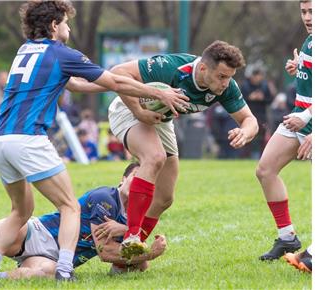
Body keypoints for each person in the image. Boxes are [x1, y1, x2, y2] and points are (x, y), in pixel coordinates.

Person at [0, 0, 187, 283]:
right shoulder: (62, 53)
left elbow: (76, 84)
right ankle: (65, 270)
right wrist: (157, 93)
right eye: (65, 22)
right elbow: (116, 83)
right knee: (70, 207)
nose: (68, 27)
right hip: (27, 138)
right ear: (54, 26)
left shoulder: (24, 51)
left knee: (19, 212)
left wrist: (110, 82)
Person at [107, 40, 259, 259]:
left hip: (162, 119)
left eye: (230, 77)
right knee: (155, 157)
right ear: (204, 68)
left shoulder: (225, 86)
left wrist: (245, 131)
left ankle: (127, 257)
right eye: (222, 76)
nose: (226, 83)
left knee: (164, 197)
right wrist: (139, 111)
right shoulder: (171, 67)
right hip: (129, 109)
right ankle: (131, 236)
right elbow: (117, 72)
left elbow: (249, 119)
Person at [0, 163, 167, 280]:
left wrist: (143, 250)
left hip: (60, 259)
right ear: (123, 179)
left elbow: (130, 267)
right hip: (40, 234)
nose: (141, 183)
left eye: (146, 180)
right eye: (137, 176)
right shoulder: (104, 198)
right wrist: (145, 252)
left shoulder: (133, 218)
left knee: (38, 275)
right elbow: (108, 254)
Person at [256, 0, 312, 261]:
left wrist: (310, 119)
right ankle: (288, 238)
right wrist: (300, 68)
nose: (308, 18)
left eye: (313, 12)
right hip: (298, 120)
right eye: (304, 12)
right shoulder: (311, 42)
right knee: (265, 170)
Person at [240, 63, 274, 159]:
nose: (260, 78)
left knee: (261, 140)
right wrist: (250, 98)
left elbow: (270, 99)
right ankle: (246, 157)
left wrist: (262, 98)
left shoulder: (264, 86)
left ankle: (261, 157)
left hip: (261, 117)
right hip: (247, 116)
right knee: (247, 138)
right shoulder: (245, 86)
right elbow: (239, 100)